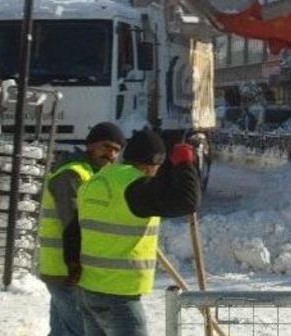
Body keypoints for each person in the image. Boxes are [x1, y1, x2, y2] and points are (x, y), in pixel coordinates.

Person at [76, 128, 201, 336]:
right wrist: (184, 164)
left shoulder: (97, 181)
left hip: (89, 290)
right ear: (154, 164)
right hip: (118, 297)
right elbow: (187, 201)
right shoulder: (134, 187)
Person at [39, 122, 125, 336]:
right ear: (90, 146)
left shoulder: (92, 175)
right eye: (106, 147)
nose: (111, 154)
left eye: (116, 150)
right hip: (65, 268)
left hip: (66, 268)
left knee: (62, 331)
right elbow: (71, 223)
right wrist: (74, 264)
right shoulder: (71, 174)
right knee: (79, 330)